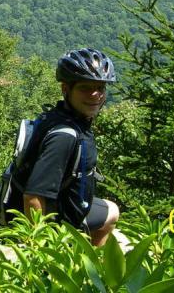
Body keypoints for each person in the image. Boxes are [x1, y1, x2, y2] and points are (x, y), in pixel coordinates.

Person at [22, 48, 120, 247]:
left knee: (111, 209)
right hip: (61, 224)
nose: (95, 95)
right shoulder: (64, 136)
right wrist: (41, 250)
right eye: (85, 88)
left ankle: (90, 262)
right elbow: (33, 196)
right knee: (112, 213)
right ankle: (91, 269)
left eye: (101, 88)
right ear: (66, 89)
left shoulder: (61, 118)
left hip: (65, 207)